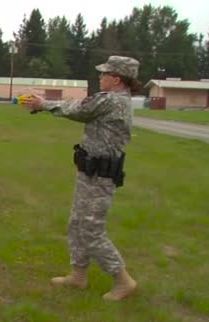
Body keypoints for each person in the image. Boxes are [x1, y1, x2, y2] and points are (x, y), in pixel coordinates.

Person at [22, 56, 142, 301]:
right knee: (76, 223)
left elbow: (79, 109)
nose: (100, 77)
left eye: (104, 74)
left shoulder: (112, 100)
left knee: (90, 229)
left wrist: (43, 104)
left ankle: (123, 280)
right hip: (91, 171)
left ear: (116, 78)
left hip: (100, 176)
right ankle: (78, 276)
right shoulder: (116, 100)